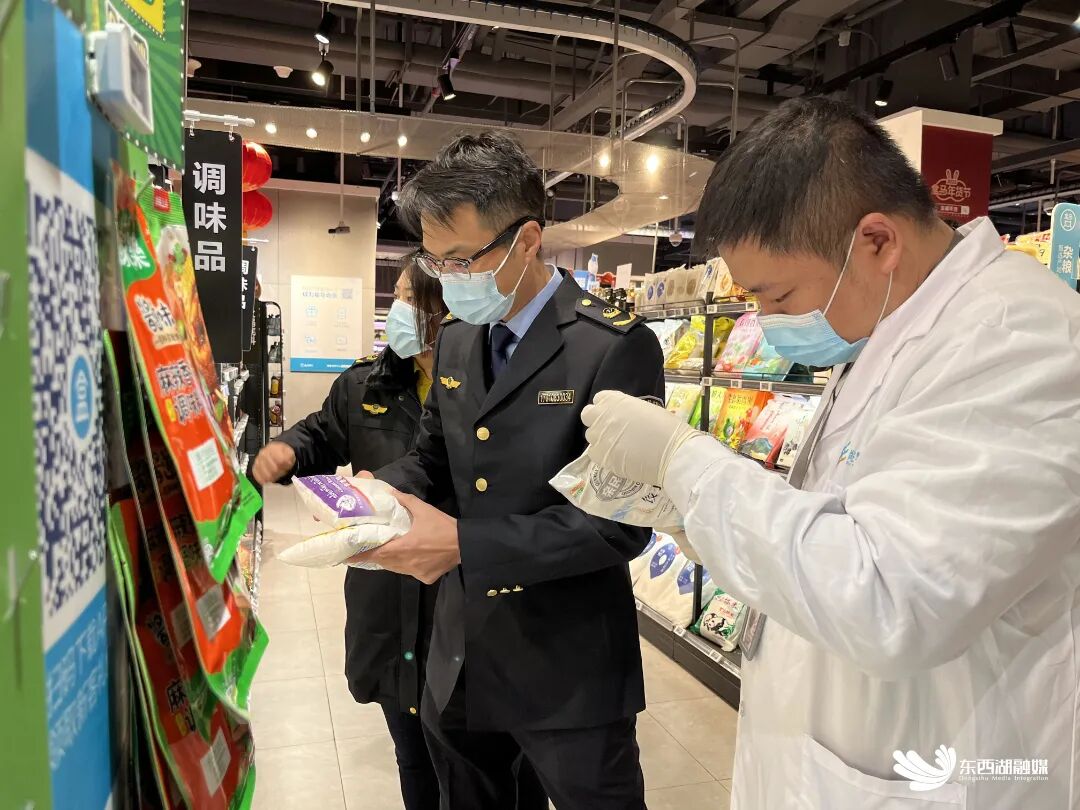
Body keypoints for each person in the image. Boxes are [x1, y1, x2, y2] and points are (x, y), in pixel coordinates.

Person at [581, 96, 1080, 809]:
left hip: (943, 762)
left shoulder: (1019, 338)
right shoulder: (892, 322)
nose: (765, 322)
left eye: (778, 296)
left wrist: (687, 465)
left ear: (876, 242)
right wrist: (697, 518)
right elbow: (837, 526)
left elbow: (893, 598)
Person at [349, 132, 664, 810]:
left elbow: (619, 525)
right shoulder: (459, 337)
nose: (447, 276)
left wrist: (466, 544)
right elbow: (435, 458)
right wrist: (381, 490)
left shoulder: (612, 346)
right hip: (463, 650)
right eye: (434, 259)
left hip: (570, 667)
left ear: (527, 240)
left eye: (462, 259)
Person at [251, 257, 547, 810]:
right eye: (398, 298)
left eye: (411, 299)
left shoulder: (496, 381)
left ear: (444, 306)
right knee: (412, 753)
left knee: (497, 760)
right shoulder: (367, 381)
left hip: (471, 595)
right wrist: (289, 450)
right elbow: (323, 432)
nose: (397, 312)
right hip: (389, 601)